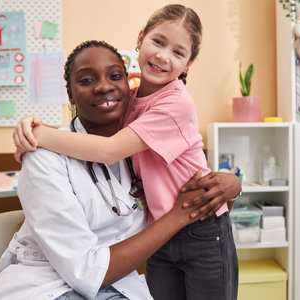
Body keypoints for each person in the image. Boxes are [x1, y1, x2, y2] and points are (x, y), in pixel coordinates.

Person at [14, 5, 240, 300]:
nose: (162, 56)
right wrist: (29, 133)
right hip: (160, 235)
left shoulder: (175, 103)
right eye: (158, 42)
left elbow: (108, 151)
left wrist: (39, 134)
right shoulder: (129, 103)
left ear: (188, 63)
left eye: (178, 52)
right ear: (141, 38)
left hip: (201, 229)